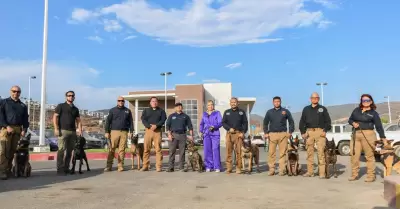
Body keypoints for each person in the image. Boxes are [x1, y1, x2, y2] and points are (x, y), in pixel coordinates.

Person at [348, 94, 387, 182]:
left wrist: (382, 137)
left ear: (371, 101)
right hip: (356, 134)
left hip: (369, 134)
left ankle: (371, 176)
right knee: (354, 155)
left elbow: (379, 126)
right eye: (363, 100)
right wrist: (353, 123)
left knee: (369, 156)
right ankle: (354, 174)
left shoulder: (374, 113)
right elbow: (350, 119)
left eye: (367, 100)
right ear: (361, 101)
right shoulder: (356, 110)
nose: (365, 102)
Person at [299, 92, 331, 178]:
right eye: (313, 98)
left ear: (319, 99)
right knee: (310, 153)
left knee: (320, 153)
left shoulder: (322, 109)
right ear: (310, 99)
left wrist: (325, 130)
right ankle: (310, 172)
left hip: (320, 132)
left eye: (316, 98)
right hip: (309, 132)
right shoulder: (306, 109)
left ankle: (322, 173)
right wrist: (302, 132)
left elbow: (328, 121)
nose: (315, 99)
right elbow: (302, 121)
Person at [0, 86, 29, 180]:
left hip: (17, 130)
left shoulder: (23, 105)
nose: (16, 93)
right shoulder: (4, 102)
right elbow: (1, 116)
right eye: (14, 91)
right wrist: (6, 126)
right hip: (6, 129)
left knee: (13, 151)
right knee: (4, 151)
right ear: (10, 91)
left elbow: (25, 119)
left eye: (18, 92)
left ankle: (8, 170)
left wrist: (24, 129)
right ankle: (2, 171)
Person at [263, 96, 295, 176]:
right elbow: (265, 123)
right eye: (275, 101)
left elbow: (291, 122)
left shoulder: (285, 111)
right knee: (271, 153)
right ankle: (271, 169)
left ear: (280, 102)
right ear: (273, 102)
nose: (277, 103)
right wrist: (266, 132)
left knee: (282, 153)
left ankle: (282, 170)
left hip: (283, 134)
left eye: (278, 101)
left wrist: (290, 132)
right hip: (272, 134)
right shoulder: (269, 112)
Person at [53, 90, 82, 175]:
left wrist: (80, 130)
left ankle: (66, 168)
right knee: (61, 150)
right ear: (66, 97)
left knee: (70, 151)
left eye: (72, 96)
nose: (71, 97)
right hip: (63, 131)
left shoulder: (75, 109)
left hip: (72, 132)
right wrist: (56, 128)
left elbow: (78, 120)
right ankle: (60, 169)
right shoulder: (61, 106)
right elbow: (55, 117)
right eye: (69, 95)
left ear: (74, 97)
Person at [104, 96, 134, 172]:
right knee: (112, 149)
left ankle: (120, 166)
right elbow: (108, 121)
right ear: (117, 101)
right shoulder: (112, 110)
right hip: (114, 132)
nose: (121, 102)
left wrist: (131, 131)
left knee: (122, 150)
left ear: (124, 102)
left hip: (124, 132)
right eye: (119, 101)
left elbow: (131, 122)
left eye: (122, 101)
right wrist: (107, 132)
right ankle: (109, 166)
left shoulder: (127, 111)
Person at [222, 97, 248, 174]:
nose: (233, 103)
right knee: (228, 151)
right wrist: (229, 128)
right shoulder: (226, 112)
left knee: (238, 152)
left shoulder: (241, 112)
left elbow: (245, 123)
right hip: (229, 134)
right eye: (232, 102)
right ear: (230, 103)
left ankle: (238, 168)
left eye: (235, 102)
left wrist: (243, 132)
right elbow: (223, 123)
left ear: (237, 103)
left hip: (238, 134)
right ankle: (229, 168)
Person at [140, 97, 167, 172]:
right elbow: (143, 119)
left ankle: (158, 166)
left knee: (158, 149)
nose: (154, 102)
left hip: (157, 131)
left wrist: (156, 125)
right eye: (152, 101)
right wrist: (149, 126)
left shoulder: (161, 111)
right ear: (150, 102)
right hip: (148, 131)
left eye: (155, 101)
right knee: (146, 149)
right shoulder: (146, 110)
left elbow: (163, 119)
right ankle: (145, 165)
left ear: (157, 102)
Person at [165, 102, 193, 172]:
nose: (179, 107)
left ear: (182, 108)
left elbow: (190, 126)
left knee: (182, 152)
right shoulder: (171, 116)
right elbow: (167, 126)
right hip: (173, 135)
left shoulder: (186, 116)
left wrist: (191, 136)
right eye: (177, 106)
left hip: (183, 135)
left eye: (180, 106)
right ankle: (171, 167)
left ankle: (181, 167)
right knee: (172, 151)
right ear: (175, 108)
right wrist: (169, 135)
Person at [199, 100, 223, 172]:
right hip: (206, 134)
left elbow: (220, 123)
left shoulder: (217, 113)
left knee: (215, 149)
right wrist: (201, 131)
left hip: (215, 133)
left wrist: (214, 126)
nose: (210, 106)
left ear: (213, 106)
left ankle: (217, 167)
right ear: (207, 106)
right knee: (207, 150)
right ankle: (208, 166)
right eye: (209, 105)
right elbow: (202, 124)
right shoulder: (204, 114)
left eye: (212, 105)